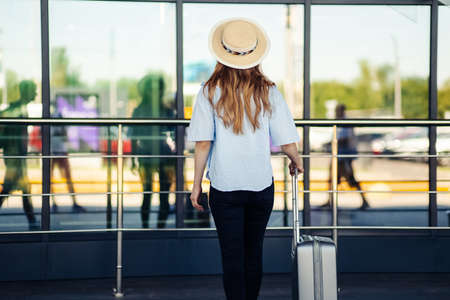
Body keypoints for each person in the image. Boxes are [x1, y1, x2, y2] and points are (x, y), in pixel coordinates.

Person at [187, 18, 303, 300]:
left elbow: (203, 143)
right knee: (254, 253)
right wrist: (296, 161)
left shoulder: (208, 92)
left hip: (225, 188)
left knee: (232, 257)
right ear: (255, 54)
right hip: (260, 186)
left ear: (222, 53)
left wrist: (196, 185)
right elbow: (286, 140)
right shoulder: (269, 91)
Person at [129, 73, 176, 228]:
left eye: (158, 89)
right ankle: (146, 229)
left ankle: (159, 229)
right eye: (152, 89)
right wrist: (133, 159)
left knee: (163, 196)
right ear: (145, 90)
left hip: (164, 155)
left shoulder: (166, 111)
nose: (155, 92)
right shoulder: (139, 111)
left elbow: (175, 133)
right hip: (147, 155)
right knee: (147, 194)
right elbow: (134, 137)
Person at [0, 80, 39, 230]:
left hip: (18, 156)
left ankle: (33, 222)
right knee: (12, 189)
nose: (35, 93)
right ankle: (33, 222)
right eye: (33, 90)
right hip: (15, 156)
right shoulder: (17, 109)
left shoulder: (22, 108)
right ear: (26, 91)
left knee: (24, 189)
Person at [323, 103, 369, 209]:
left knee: (347, 179)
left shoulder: (345, 122)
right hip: (339, 155)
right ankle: (330, 201)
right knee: (334, 178)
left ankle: (363, 200)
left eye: (337, 111)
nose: (336, 113)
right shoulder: (340, 121)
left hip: (344, 156)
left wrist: (332, 143)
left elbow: (345, 139)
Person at [50, 109, 86, 213]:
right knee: (52, 179)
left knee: (64, 178)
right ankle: (55, 203)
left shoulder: (58, 122)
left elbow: (65, 136)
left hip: (58, 151)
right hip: (54, 152)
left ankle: (65, 203)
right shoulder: (55, 121)